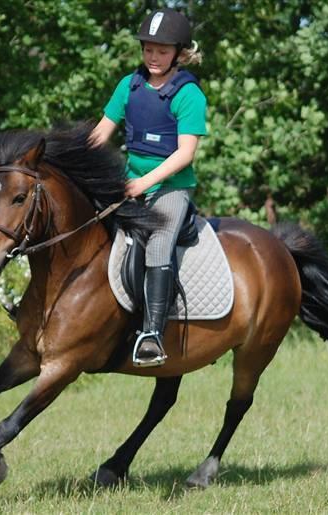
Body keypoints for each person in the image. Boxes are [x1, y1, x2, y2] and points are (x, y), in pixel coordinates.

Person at [89, 8, 207, 367]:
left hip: (171, 188)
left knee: (158, 244)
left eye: (162, 51)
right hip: (130, 183)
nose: (153, 57)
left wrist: (143, 182)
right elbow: (99, 134)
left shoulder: (189, 95)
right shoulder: (129, 85)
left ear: (179, 53)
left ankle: (152, 335)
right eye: (148, 49)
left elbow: (185, 154)